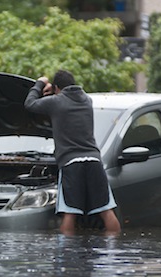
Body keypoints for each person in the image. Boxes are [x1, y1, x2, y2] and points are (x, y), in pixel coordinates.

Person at [24, 70, 121, 235]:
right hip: (94, 161)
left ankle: (68, 253)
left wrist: (40, 83)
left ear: (56, 88)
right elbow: (65, 97)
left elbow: (30, 104)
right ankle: (113, 250)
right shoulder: (87, 100)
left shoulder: (55, 102)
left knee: (70, 213)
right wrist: (53, 91)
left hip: (71, 163)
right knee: (106, 210)